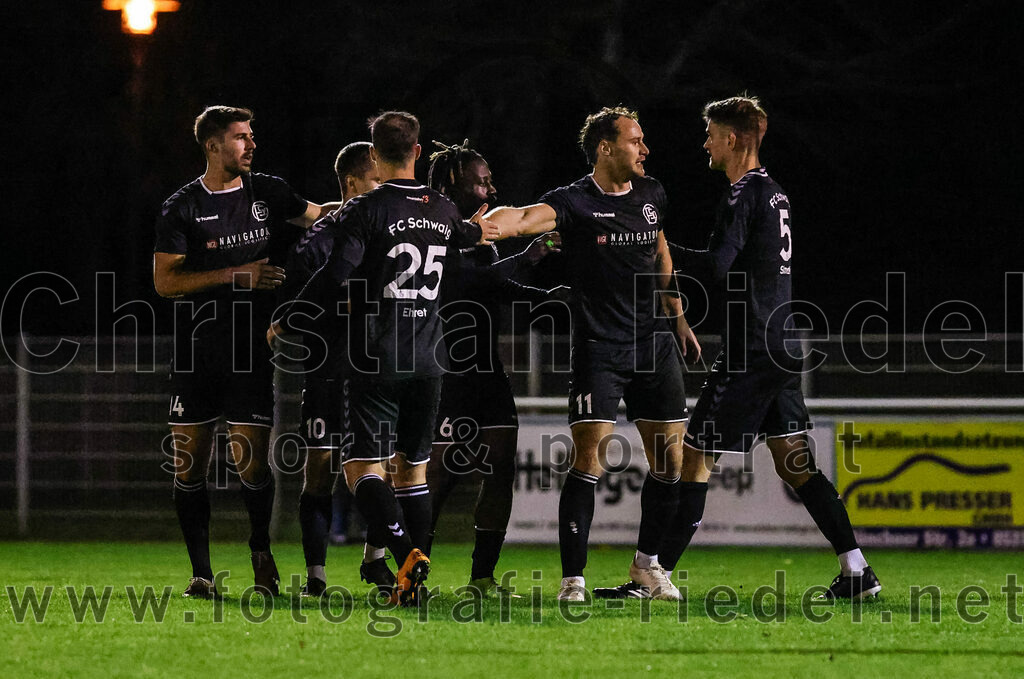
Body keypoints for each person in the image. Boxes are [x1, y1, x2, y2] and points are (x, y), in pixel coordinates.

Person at [272, 111, 497, 606]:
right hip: (430, 358)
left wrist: (289, 316)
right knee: (414, 472)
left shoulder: (366, 209)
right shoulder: (440, 207)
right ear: (418, 151)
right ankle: (414, 582)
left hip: (376, 356)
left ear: (374, 154)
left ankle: (404, 555)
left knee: (361, 471)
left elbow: (334, 277)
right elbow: (468, 238)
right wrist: (478, 233)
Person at [668, 95, 881, 599]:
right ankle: (857, 570)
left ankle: (651, 571)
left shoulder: (742, 193)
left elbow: (718, 265)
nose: (705, 143)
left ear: (733, 139)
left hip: (752, 347)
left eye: (711, 134)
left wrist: (656, 243)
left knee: (694, 459)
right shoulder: (776, 192)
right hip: (782, 343)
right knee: (794, 462)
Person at [486, 107, 700, 601]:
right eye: (635, 140)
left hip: (653, 346)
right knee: (589, 462)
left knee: (670, 462)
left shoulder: (652, 193)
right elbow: (522, 219)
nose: (645, 149)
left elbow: (661, 250)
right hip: (600, 348)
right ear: (605, 147)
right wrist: (489, 227)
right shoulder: (574, 202)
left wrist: (677, 314)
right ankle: (573, 581)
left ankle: (647, 567)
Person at [154, 105, 339, 599]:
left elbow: (321, 218)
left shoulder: (267, 191)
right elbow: (165, 281)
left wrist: (384, 204)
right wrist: (239, 276)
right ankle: (201, 573)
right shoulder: (181, 207)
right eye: (240, 137)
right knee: (189, 465)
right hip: (196, 353)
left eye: (251, 135)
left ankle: (261, 551)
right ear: (213, 145)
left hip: (248, 353)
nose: (251, 144)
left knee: (251, 464)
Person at [424, 139, 563, 597]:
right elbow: (462, 285)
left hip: (487, 371)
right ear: (452, 182)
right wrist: (526, 260)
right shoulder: (431, 226)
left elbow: (493, 287)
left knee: (500, 469)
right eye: (481, 180)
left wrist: (548, 296)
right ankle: (412, 574)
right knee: (438, 481)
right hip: (448, 372)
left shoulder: (481, 237)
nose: (490, 188)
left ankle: (482, 577)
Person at [276, 142, 380, 597]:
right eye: (377, 180)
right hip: (330, 366)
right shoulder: (320, 237)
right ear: (353, 183)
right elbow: (305, 294)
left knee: (385, 470)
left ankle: (376, 563)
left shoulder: (389, 223)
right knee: (320, 468)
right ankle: (316, 576)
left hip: (380, 365)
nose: (386, 188)